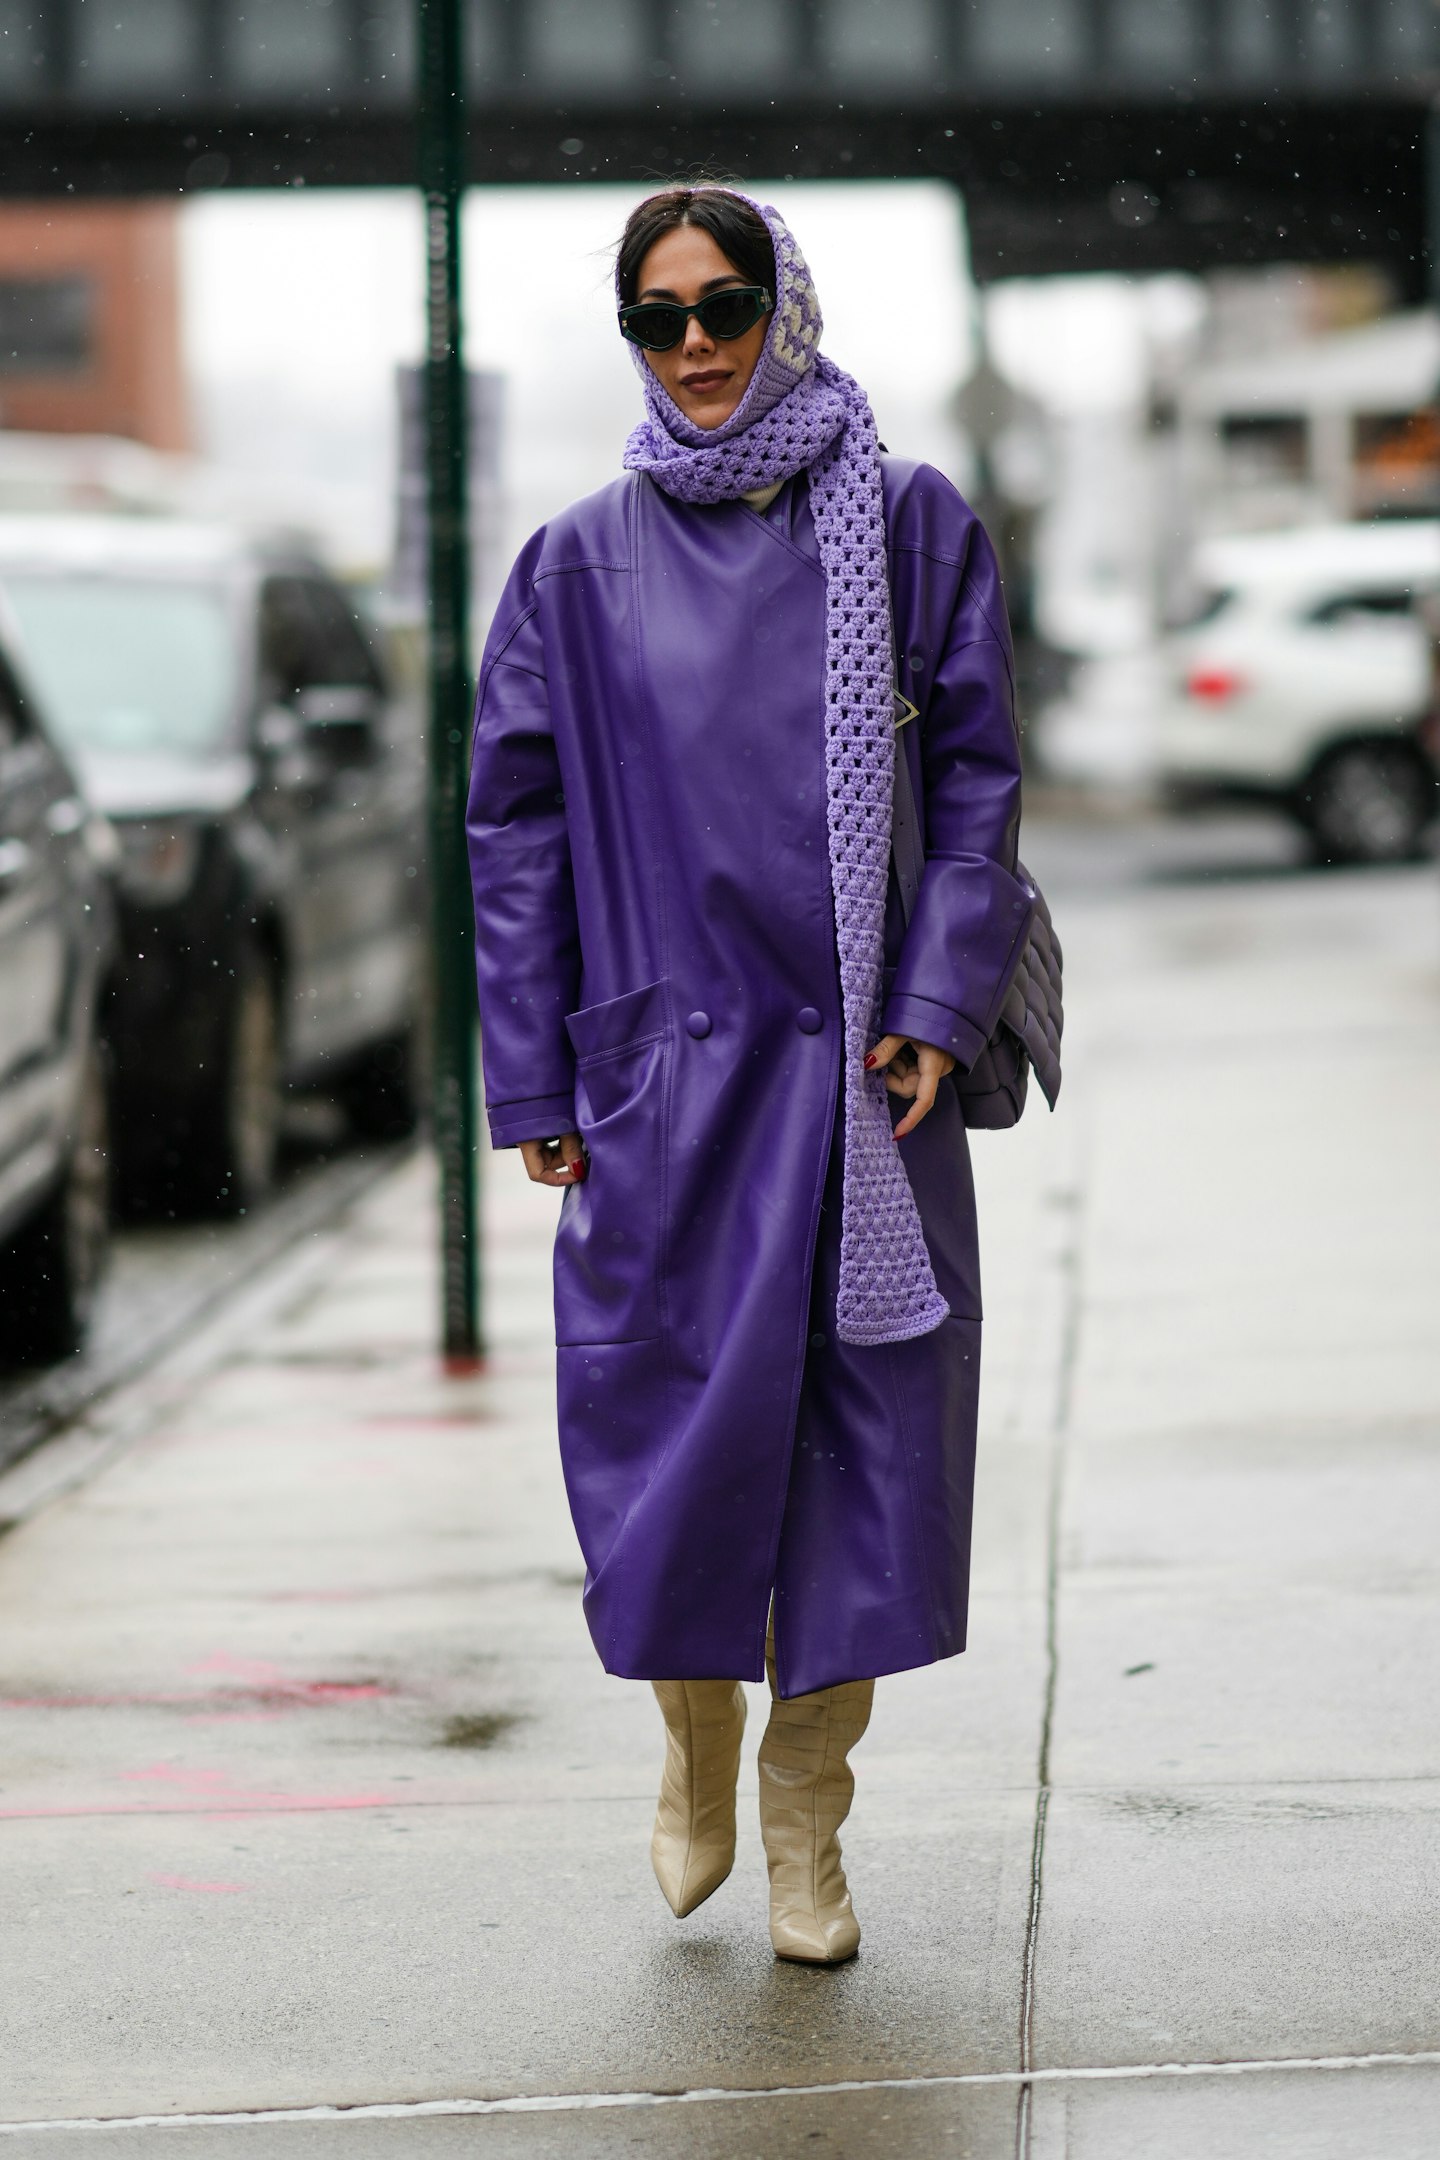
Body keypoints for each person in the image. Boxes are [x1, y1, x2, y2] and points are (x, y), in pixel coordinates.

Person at [466, 185, 1033, 1966]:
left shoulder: (913, 525)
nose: (697, 345)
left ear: (787, 309)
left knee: (866, 1467)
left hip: (870, 1082)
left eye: (725, 307)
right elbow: (514, 838)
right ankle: (696, 1741)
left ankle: (808, 1817)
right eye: (659, 318)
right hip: (670, 1082)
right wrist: (534, 1078)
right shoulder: (576, 562)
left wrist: (938, 1007)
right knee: (671, 1458)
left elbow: (986, 795)